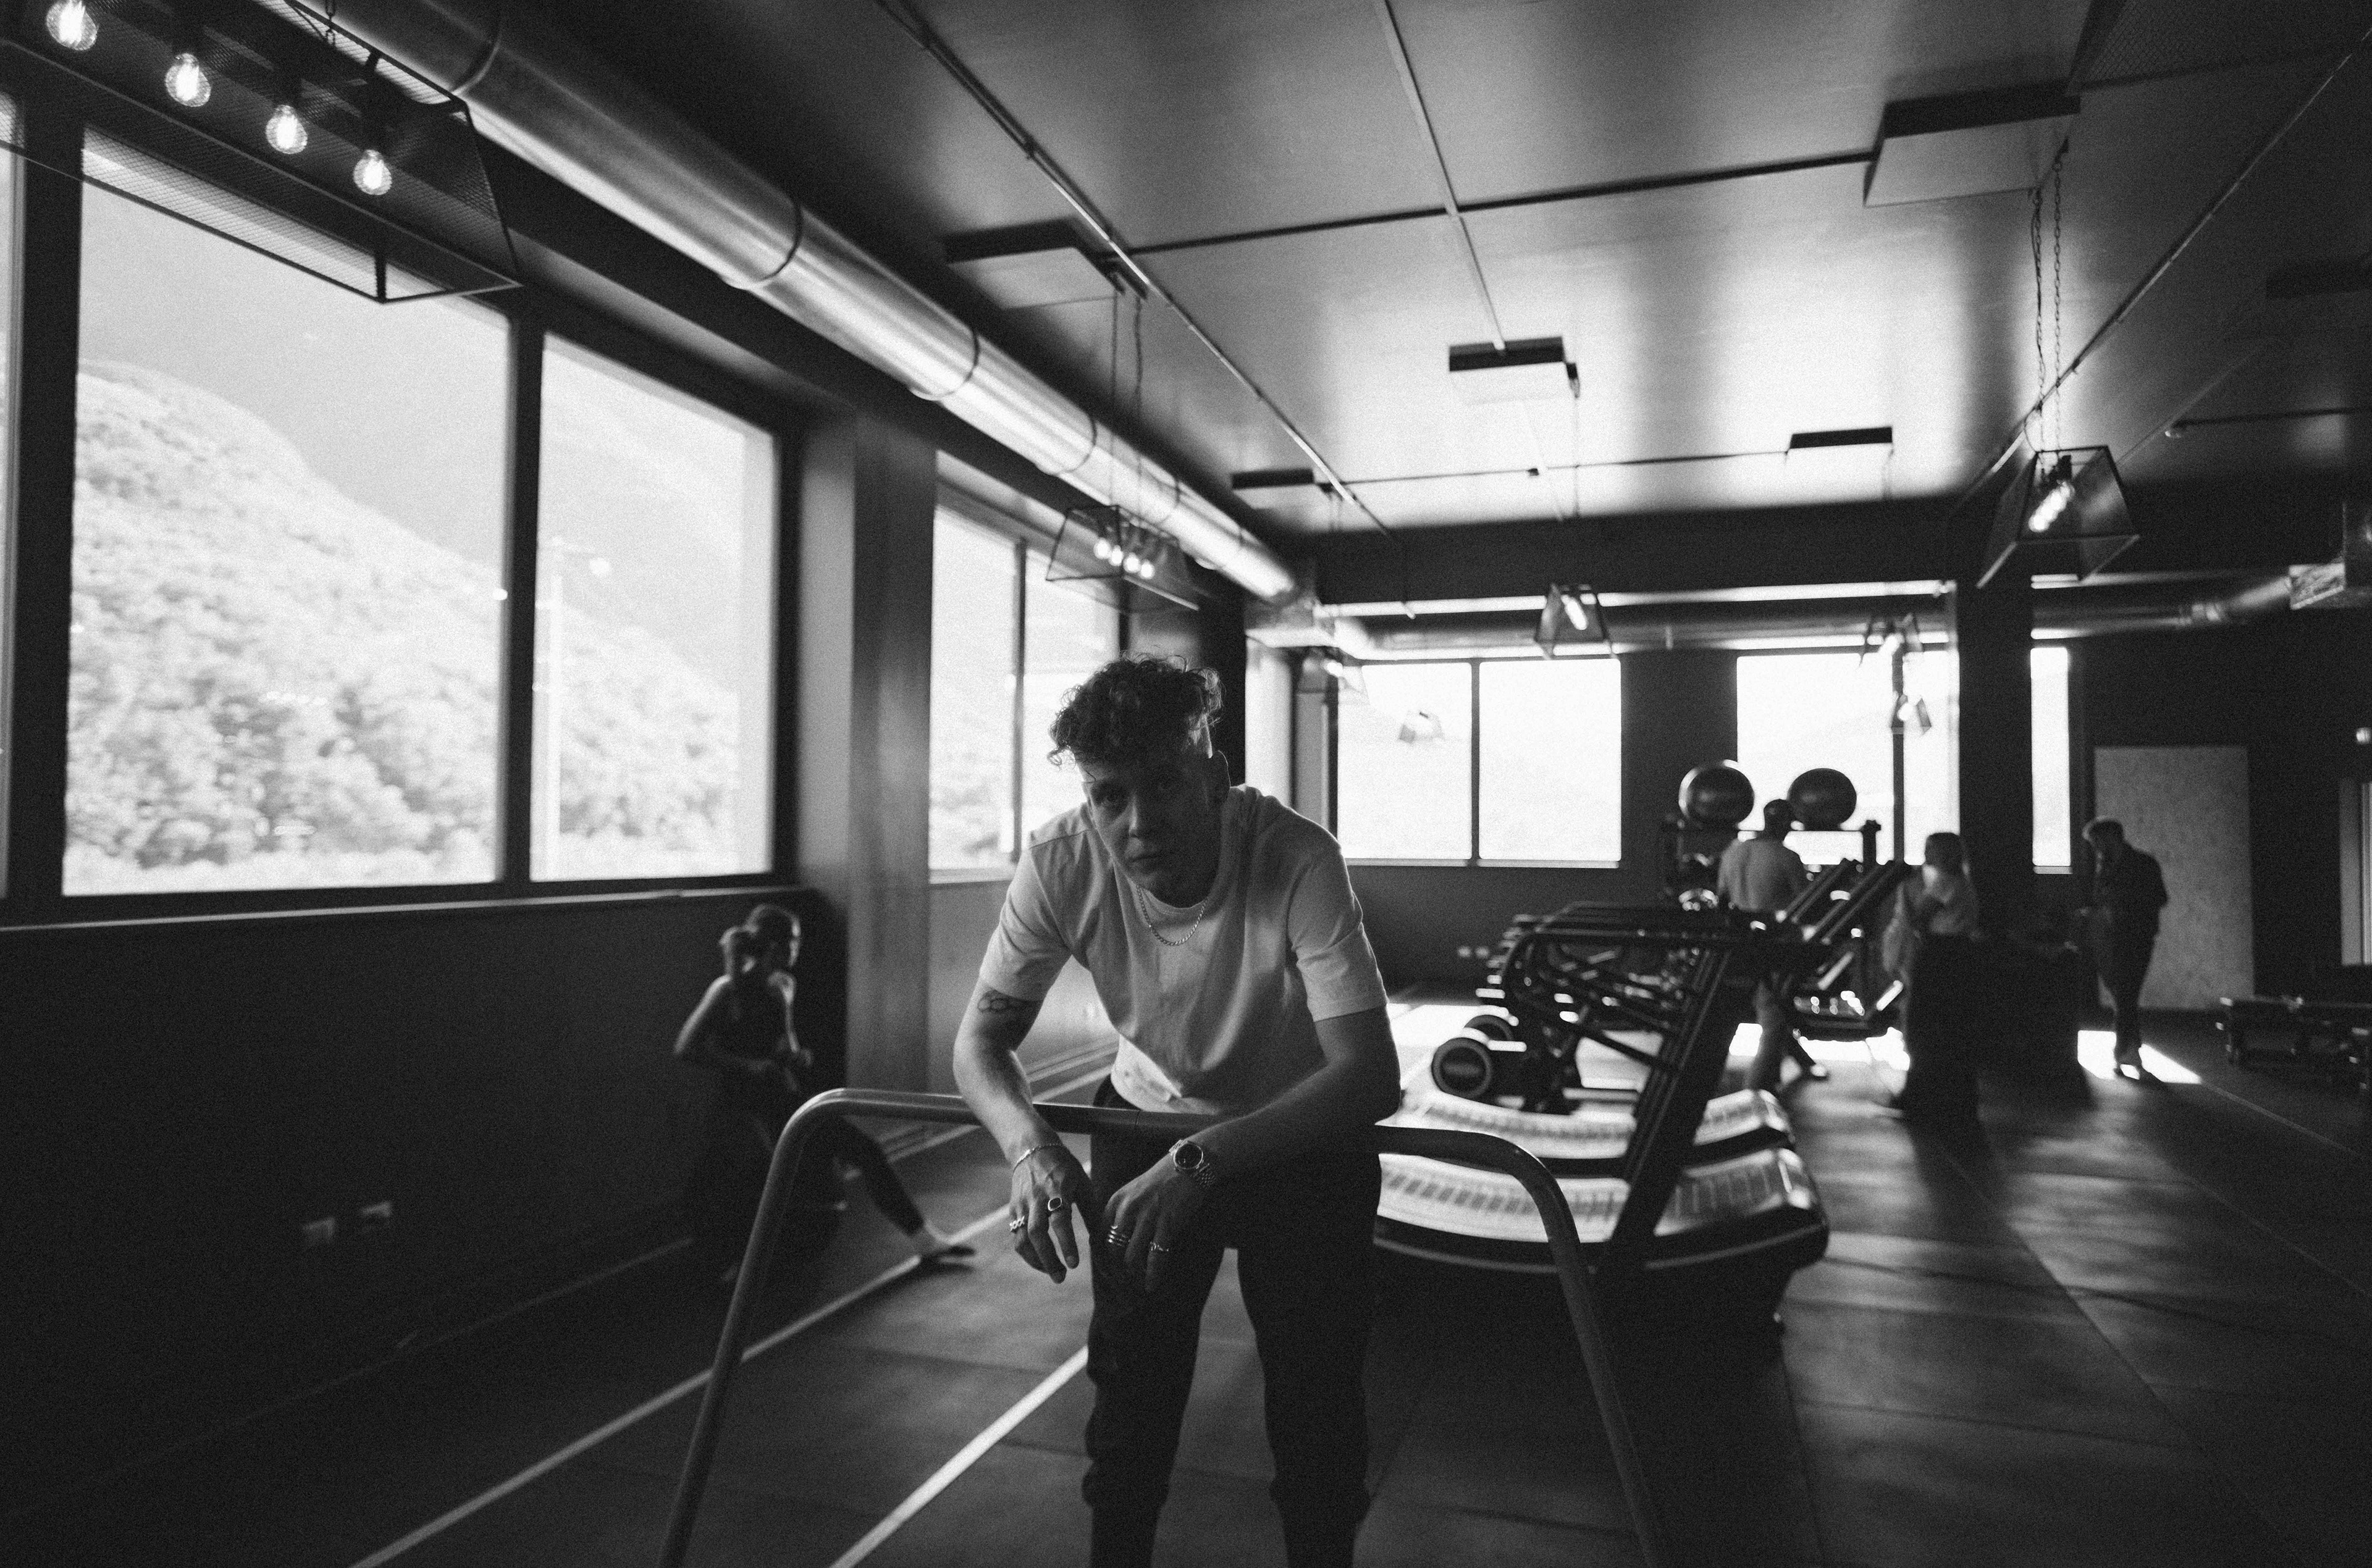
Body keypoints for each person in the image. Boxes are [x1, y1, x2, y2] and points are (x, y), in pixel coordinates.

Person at [950, 656, 1400, 1568]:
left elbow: (1368, 1075)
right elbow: (979, 1045)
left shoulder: (1297, 856)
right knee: (1131, 1398)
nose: (1139, 821)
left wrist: (1203, 1158)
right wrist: (1030, 1145)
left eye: (1163, 783)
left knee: (1317, 1410)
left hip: (1298, 1129)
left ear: (1215, 774)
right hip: (1146, 1116)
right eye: (1109, 795)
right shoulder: (1061, 861)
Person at [676, 903, 971, 1280]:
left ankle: (925, 1240)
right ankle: (738, 1263)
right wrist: (749, 1066)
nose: (798, 949)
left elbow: (787, 1045)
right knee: (761, 1177)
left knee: (865, 1150)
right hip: (743, 1106)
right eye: (794, 942)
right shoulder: (725, 991)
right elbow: (686, 1047)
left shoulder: (784, 985)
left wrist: (797, 1056)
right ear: (776, 947)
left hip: (784, 1097)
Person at [1716, 799, 1825, 1089]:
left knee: (1750, 1008)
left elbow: (1722, 900)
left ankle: (1786, 1068)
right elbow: (1806, 905)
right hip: (1773, 946)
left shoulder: (1732, 853)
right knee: (1774, 1016)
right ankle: (1757, 1087)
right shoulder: (1787, 857)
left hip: (1738, 944)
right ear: (1786, 824)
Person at [1877, 831, 1983, 1130]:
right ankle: (1945, 1099)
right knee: (1948, 1028)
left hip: (1940, 955)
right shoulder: (1962, 880)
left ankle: (1920, 1098)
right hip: (1956, 954)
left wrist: (1903, 891)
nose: (1925, 854)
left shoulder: (1944, 883)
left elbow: (1918, 918)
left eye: (1930, 849)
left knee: (1924, 1025)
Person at [2080, 818, 2169, 1076]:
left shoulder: (2144, 863)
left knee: (2126, 994)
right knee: (2124, 996)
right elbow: (2099, 899)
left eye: (2097, 842)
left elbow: (2160, 898)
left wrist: (2122, 906)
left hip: (2137, 936)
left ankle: (2125, 1052)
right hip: (2109, 938)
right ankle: (2130, 1052)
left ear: (2111, 837)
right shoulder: (2104, 866)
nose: (2095, 848)